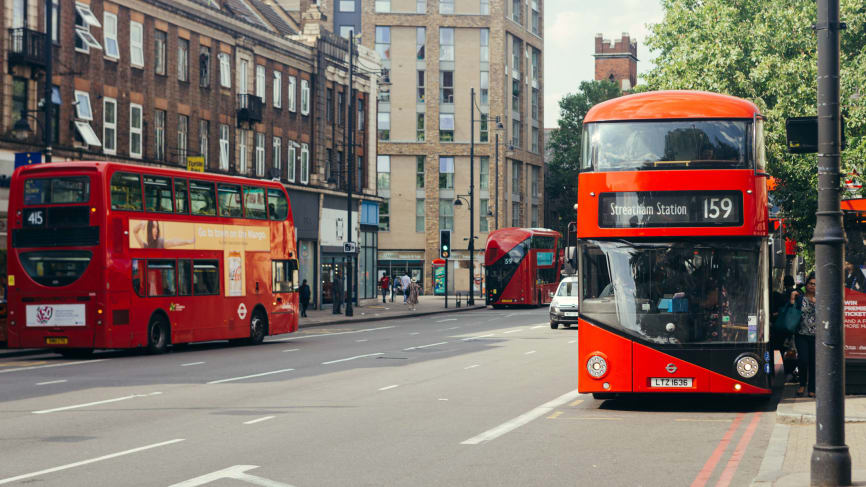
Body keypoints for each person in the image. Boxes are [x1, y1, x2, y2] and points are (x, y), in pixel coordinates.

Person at [791, 273, 816, 397]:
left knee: (813, 362)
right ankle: (802, 385)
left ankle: (812, 389)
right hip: (801, 334)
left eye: (816, 284)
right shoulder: (800, 298)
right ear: (806, 285)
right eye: (811, 283)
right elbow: (792, 312)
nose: (813, 286)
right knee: (803, 360)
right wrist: (792, 299)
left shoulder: (822, 299)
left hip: (817, 336)